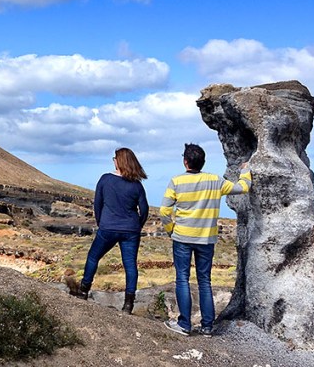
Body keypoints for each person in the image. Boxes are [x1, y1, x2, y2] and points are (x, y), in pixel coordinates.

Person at [160, 143, 251, 337]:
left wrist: (171, 230)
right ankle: (207, 327)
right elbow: (243, 188)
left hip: (182, 237)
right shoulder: (215, 181)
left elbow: (164, 211)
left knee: (182, 279)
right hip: (206, 239)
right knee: (205, 281)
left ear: (185, 161)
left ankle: (184, 324)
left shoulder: (176, 181)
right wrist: (246, 170)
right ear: (203, 162)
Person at [75, 147, 149, 314]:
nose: (113, 160)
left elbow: (97, 204)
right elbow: (144, 210)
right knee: (130, 266)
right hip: (130, 230)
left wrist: (102, 223)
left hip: (108, 227)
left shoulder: (105, 179)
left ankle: (83, 291)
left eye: (114, 158)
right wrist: (137, 225)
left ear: (118, 161)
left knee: (93, 257)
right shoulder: (136, 186)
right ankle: (128, 305)